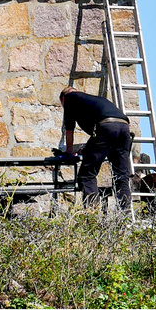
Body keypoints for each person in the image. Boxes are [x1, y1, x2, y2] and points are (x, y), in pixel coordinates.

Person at [57, 86, 134, 214]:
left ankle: (92, 215)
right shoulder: (94, 101)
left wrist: (69, 152)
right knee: (121, 176)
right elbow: (105, 134)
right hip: (124, 129)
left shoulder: (70, 98)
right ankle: (125, 216)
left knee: (87, 175)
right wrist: (88, 149)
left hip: (106, 127)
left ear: (63, 99)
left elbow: (69, 128)